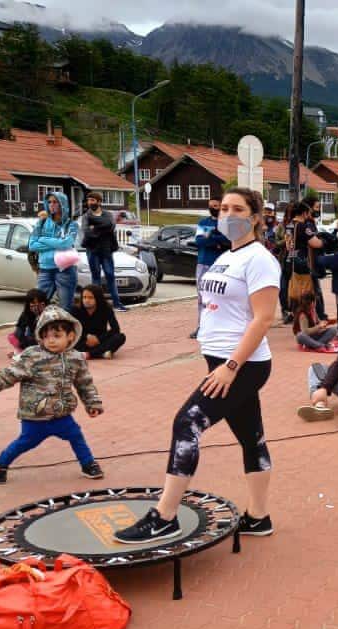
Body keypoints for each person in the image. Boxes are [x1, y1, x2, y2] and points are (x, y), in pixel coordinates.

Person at [114, 188, 281, 544]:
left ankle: (164, 515)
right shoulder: (226, 256)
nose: (228, 215)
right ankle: (258, 516)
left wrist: (231, 366)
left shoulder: (260, 259)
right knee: (251, 437)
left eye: (238, 209)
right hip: (221, 359)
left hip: (243, 364)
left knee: (187, 422)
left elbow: (265, 319)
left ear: (254, 217)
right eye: (223, 209)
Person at [0, 305, 104, 484]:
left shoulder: (75, 358)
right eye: (46, 336)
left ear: (70, 336)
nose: (51, 341)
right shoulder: (33, 357)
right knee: (25, 443)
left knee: (76, 435)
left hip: (62, 415)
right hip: (35, 417)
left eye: (57, 336)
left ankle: (88, 464)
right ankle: (1, 464)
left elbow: (84, 383)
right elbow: (9, 374)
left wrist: (92, 403)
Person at [29, 192, 79, 311]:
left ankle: (64, 329)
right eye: (49, 202)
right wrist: (56, 242)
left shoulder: (71, 225)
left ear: (63, 204)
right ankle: (31, 330)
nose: (51, 204)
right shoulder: (40, 223)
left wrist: (43, 239)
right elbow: (32, 245)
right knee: (37, 307)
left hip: (65, 269)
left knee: (65, 307)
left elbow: (66, 243)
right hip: (45, 269)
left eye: (55, 202)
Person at [80, 191, 126, 311]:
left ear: (99, 202)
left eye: (92, 200)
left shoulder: (107, 214)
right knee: (96, 278)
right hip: (92, 250)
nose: (90, 203)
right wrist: (101, 229)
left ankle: (117, 303)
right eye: (88, 200)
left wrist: (94, 227)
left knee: (110, 275)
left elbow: (110, 225)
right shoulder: (86, 216)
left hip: (106, 250)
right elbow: (87, 232)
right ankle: (98, 305)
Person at [192, 197, 231, 338]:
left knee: (221, 296)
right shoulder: (204, 222)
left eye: (215, 205)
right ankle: (201, 326)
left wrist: (212, 237)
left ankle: (220, 326)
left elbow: (229, 241)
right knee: (202, 297)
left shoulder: (227, 223)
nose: (212, 208)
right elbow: (200, 241)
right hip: (204, 263)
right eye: (210, 206)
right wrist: (217, 240)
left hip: (221, 265)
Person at [72, 284, 126, 359]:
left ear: (98, 298)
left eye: (90, 298)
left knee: (120, 337)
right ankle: (101, 353)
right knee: (70, 340)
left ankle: (89, 354)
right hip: (82, 340)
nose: (86, 300)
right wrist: (86, 336)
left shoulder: (106, 308)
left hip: (100, 340)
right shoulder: (76, 309)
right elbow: (72, 328)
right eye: (84, 297)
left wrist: (98, 339)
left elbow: (115, 329)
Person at [7, 289, 48, 354]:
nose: (36, 307)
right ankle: (21, 350)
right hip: (33, 340)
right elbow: (19, 330)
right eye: (33, 305)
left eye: (40, 304)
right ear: (28, 305)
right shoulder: (26, 314)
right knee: (14, 337)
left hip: (45, 340)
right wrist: (20, 346)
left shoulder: (49, 313)